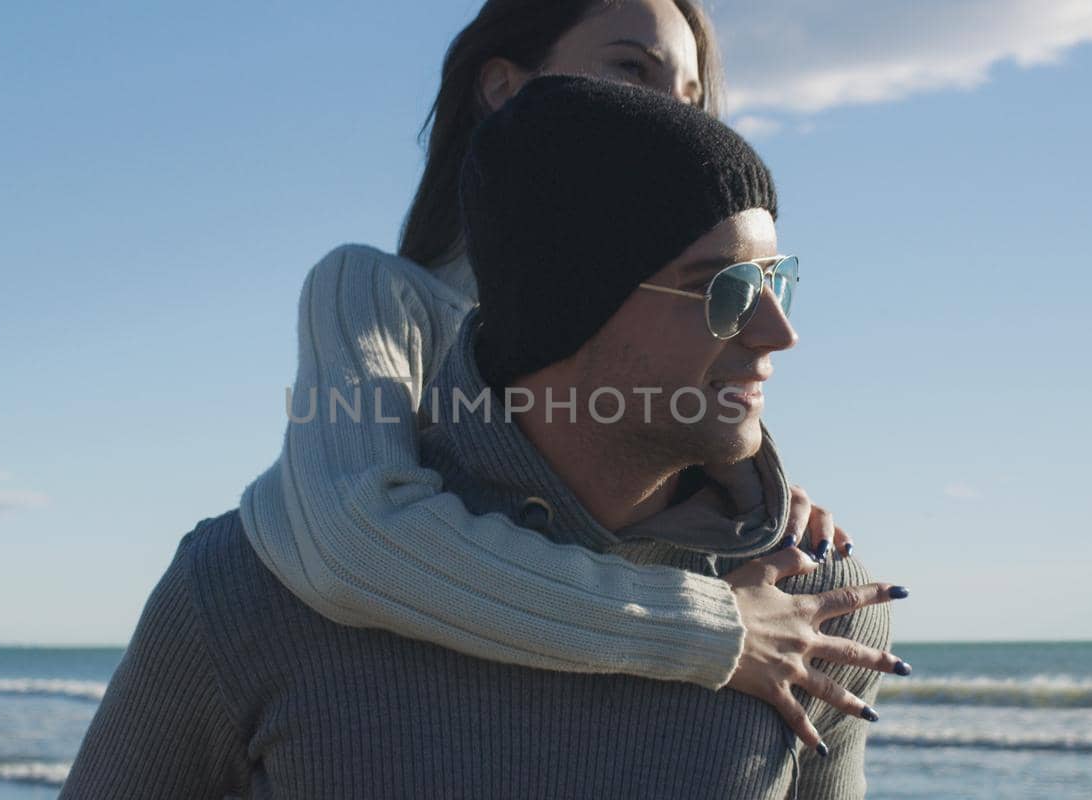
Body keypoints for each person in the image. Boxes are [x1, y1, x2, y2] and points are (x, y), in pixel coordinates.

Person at [65, 75, 904, 799]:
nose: (778, 332)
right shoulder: (247, 591)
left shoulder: (818, 609)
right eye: (725, 289)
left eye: (775, 280)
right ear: (569, 305)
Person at [242, 0, 884, 755]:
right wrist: (709, 631)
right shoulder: (374, 290)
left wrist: (759, 499)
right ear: (504, 87)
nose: (664, 110)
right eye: (629, 69)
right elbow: (353, 540)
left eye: (687, 95)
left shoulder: (680, 314)